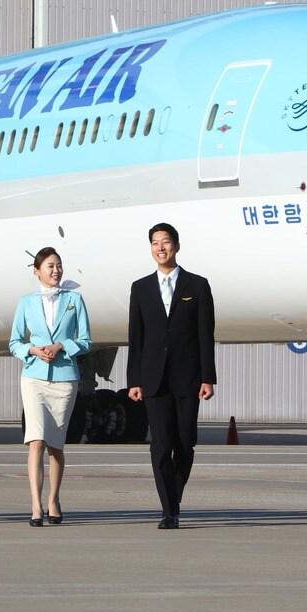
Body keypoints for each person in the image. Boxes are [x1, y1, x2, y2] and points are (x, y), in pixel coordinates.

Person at [126, 222, 216, 530]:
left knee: (185, 443)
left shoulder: (197, 285)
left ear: (176, 245)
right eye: (155, 243)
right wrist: (134, 380)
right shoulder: (140, 288)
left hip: (188, 378)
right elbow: (136, 337)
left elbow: (205, 335)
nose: (160, 248)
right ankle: (169, 510)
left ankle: (173, 497)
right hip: (153, 378)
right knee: (160, 445)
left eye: (165, 242)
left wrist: (208, 377)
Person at [8, 246, 91, 527]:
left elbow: (86, 340)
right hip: (33, 378)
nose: (56, 271)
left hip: (65, 378)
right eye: (50, 266)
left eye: (58, 265)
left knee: (56, 445)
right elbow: (15, 342)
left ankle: (53, 499)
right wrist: (32, 350)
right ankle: (35, 504)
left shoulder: (74, 300)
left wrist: (61, 346)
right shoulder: (26, 302)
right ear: (37, 271)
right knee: (36, 441)